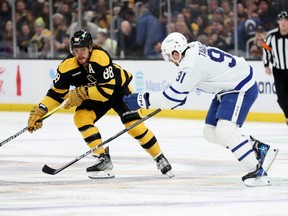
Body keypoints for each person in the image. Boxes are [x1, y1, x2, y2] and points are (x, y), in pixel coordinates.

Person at [123, 32, 279, 187]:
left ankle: (258, 173)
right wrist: (180, 93)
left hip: (240, 87)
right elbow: (192, 82)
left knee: (226, 131)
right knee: (210, 133)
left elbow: (171, 98)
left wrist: (141, 100)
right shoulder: (192, 49)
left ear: (176, 53)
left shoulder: (190, 65)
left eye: (170, 57)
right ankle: (258, 148)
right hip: (226, 88)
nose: (171, 61)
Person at [27, 29, 173, 179]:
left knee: (134, 126)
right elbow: (55, 94)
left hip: (118, 91)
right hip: (95, 94)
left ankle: (159, 157)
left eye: (83, 49)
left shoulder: (100, 57)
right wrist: (41, 110)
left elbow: (106, 92)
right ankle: (102, 159)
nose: (80, 54)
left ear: (90, 47)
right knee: (81, 117)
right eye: (76, 50)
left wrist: (82, 92)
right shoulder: (67, 67)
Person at [262, 11, 288, 125]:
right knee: (281, 98)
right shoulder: (271, 36)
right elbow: (266, 51)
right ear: (278, 22)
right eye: (281, 20)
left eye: (286, 20)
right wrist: (266, 65)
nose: (283, 23)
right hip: (278, 71)